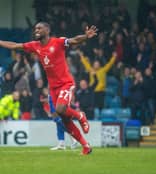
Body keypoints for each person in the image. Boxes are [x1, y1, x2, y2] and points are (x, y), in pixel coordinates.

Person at [0, 22, 98, 155]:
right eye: (35, 29)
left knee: (59, 109)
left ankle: (80, 115)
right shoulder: (35, 46)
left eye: (39, 28)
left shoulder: (58, 42)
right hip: (53, 88)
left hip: (65, 83)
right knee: (64, 119)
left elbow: (74, 40)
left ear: (47, 30)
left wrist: (86, 37)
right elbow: (15, 45)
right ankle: (86, 146)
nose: (37, 31)